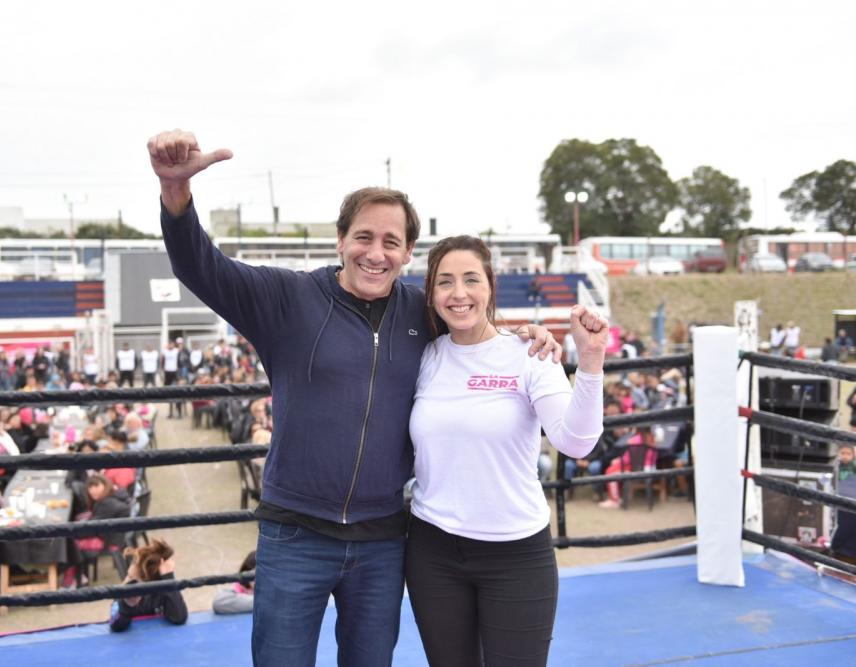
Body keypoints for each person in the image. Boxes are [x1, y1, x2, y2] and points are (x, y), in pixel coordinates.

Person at [147, 129, 562, 666]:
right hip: (295, 533)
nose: (376, 253)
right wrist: (175, 195)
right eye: (364, 237)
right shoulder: (288, 298)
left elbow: (475, 321)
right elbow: (200, 268)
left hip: (384, 540)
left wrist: (528, 337)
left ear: (409, 253)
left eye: (392, 242)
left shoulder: (423, 313)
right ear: (340, 240)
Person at [404, 235, 607, 666]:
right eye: (445, 282)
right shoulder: (423, 356)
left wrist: (590, 364)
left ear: (490, 285)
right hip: (432, 550)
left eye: (470, 279)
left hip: (515, 553)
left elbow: (576, 442)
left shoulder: (529, 354)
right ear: (431, 293)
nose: (458, 294)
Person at [108, 539, 187, 632]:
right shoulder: (125, 595)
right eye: (128, 575)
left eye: (132, 579)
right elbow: (115, 626)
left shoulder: (163, 592)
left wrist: (169, 579)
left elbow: (179, 617)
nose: (125, 582)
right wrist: (127, 606)